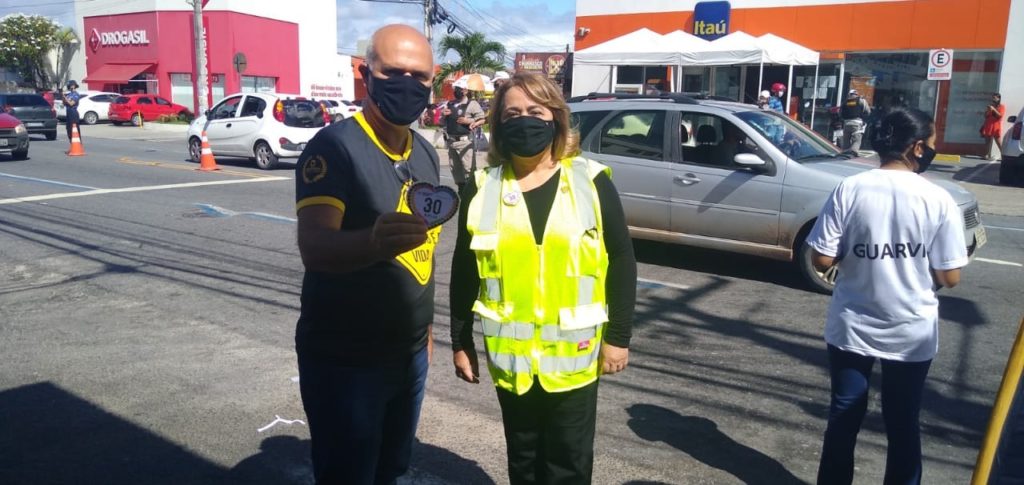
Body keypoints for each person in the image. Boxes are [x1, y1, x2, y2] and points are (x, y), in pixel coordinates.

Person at [449, 71, 638, 484]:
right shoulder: (482, 187)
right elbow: (465, 270)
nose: (524, 120)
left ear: (555, 117)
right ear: (498, 124)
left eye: (535, 111)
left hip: (575, 359)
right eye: (512, 113)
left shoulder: (590, 182)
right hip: (511, 362)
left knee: (567, 465)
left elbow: (622, 260)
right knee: (523, 460)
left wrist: (619, 338)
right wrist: (460, 340)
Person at [293, 24, 440, 485]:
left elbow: (423, 250)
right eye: (394, 71)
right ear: (365, 73)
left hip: (410, 353)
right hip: (346, 360)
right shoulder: (334, 148)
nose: (407, 84)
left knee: (391, 470)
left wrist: (426, 328)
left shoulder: (426, 154)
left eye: (420, 77)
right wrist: (373, 243)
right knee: (348, 476)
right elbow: (315, 248)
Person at [807, 106, 968, 485]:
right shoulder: (938, 198)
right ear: (915, 148)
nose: (931, 149)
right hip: (910, 329)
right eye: (930, 143)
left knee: (844, 416)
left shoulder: (850, 187)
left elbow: (822, 256)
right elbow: (951, 275)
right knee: (903, 422)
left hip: (852, 323)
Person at [444, 86, 486, 189]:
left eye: (460, 88)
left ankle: (471, 194)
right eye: (456, 88)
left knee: (469, 170)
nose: (457, 91)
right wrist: (444, 115)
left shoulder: (472, 104)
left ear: (466, 91)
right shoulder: (451, 104)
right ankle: (461, 193)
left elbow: (482, 119)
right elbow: (443, 122)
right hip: (452, 142)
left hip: (465, 142)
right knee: (455, 170)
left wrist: (469, 121)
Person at [980, 93, 1005, 161]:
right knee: (987, 141)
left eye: (995, 97)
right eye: (992, 98)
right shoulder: (991, 106)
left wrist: (993, 109)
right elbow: (985, 116)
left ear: (999, 98)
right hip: (988, 125)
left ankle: (1004, 156)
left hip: (996, 126)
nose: (993, 99)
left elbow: (1000, 116)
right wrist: (988, 110)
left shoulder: (1001, 106)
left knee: (998, 142)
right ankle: (986, 155)